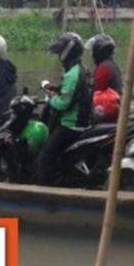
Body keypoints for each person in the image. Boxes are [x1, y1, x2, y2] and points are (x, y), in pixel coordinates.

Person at [36, 32, 91, 186]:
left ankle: (44, 191)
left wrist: (51, 98)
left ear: (67, 52)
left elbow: (63, 104)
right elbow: (73, 93)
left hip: (71, 124)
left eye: (60, 52)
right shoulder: (79, 69)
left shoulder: (73, 75)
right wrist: (58, 89)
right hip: (80, 121)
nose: (59, 56)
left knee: (45, 157)